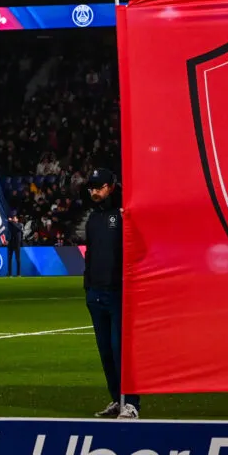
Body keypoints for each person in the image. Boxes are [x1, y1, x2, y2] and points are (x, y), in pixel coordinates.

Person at [83, 168, 138, 419]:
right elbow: (91, 254)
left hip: (118, 293)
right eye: (92, 187)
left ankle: (131, 404)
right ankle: (116, 400)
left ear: (111, 187)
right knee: (105, 351)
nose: (95, 191)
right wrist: (88, 287)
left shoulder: (125, 214)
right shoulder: (93, 218)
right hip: (96, 293)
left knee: (121, 351)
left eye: (99, 187)